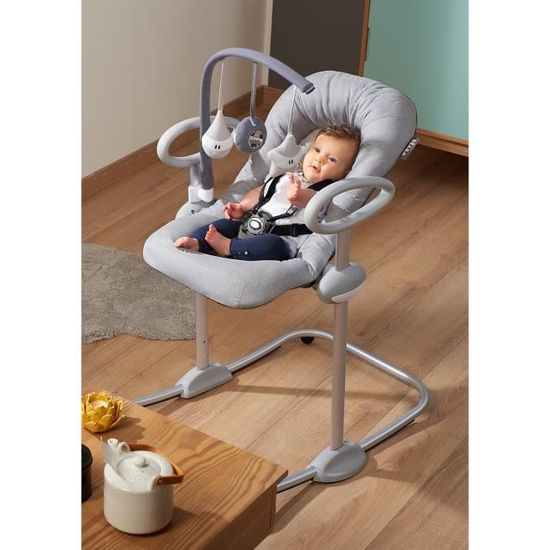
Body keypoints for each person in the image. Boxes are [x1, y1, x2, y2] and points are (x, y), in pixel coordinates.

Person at [174, 124, 361, 261]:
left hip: (281, 241)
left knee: (270, 245)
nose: (319, 160)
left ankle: (228, 248)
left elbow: (312, 201)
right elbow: (261, 193)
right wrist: (242, 207)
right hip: (249, 227)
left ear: (345, 172)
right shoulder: (287, 176)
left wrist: (298, 196)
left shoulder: (328, 192)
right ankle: (196, 242)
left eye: (332, 159)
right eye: (317, 150)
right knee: (221, 225)